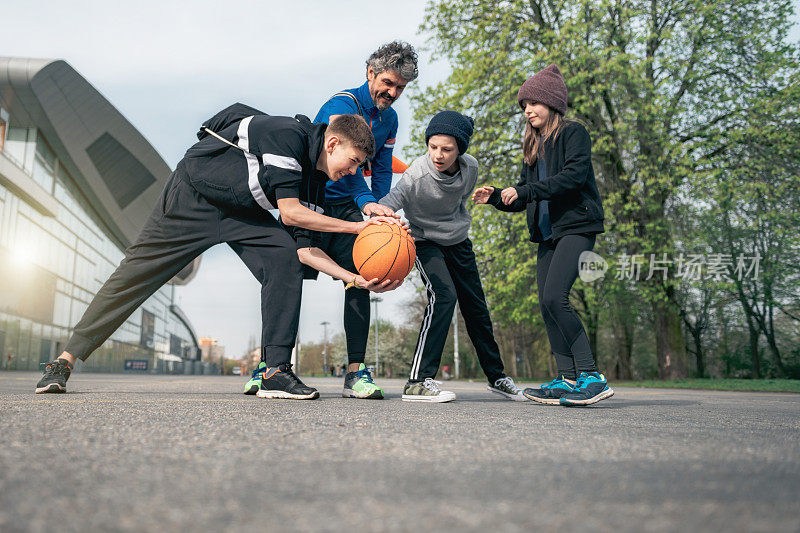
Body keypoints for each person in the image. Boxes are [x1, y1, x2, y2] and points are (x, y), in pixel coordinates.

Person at [35, 106, 401, 399]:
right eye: (353, 162)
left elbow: (305, 251)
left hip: (241, 213)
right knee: (136, 273)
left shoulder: (316, 183)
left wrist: (355, 279)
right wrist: (357, 227)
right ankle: (64, 361)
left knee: (285, 259)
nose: (354, 172)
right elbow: (289, 212)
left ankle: (275, 371)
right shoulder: (288, 136)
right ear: (333, 144)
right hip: (192, 197)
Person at [473, 65, 614, 406]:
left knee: (556, 298)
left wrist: (526, 191)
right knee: (546, 305)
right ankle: (567, 379)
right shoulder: (533, 147)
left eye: (533, 102)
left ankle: (592, 376)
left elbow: (573, 178)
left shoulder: (573, 133)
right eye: (524, 106)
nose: (528, 110)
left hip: (578, 227)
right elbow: (525, 196)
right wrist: (497, 196)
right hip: (548, 235)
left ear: (552, 103)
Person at [381, 111, 526, 403]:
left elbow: (457, 201)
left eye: (447, 149)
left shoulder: (470, 168)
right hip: (424, 241)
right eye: (433, 146)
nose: (438, 154)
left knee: (476, 307)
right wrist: (381, 215)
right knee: (444, 295)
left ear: (460, 149)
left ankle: (497, 377)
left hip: (458, 240)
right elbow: (389, 202)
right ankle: (418, 380)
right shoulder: (416, 175)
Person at [309, 41, 419, 400]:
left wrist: (385, 208)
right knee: (287, 278)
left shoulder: (390, 119)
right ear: (370, 73)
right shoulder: (340, 106)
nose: (393, 92)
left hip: (348, 208)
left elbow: (383, 167)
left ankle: (355, 372)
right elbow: (348, 160)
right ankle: (273, 364)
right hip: (313, 201)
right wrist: (366, 200)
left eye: (401, 87)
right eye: (388, 82)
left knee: (361, 278)